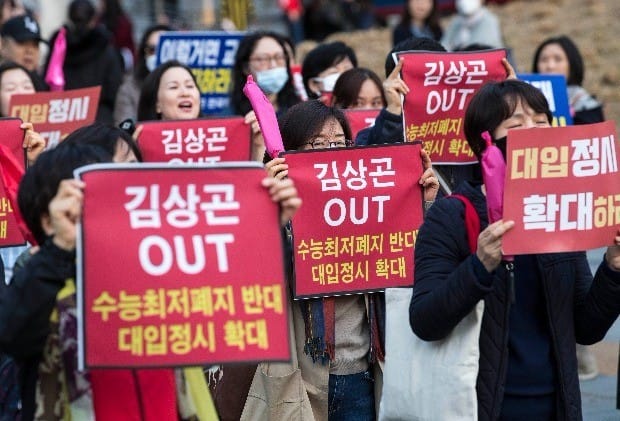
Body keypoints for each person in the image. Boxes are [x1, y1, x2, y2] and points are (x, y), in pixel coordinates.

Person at [410, 79, 620, 420]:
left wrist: (612, 269)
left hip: (556, 406)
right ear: (485, 140)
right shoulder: (453, 215)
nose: (534, 132)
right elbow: (425, 320)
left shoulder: (559, 214)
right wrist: (480, 265)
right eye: (517, 123)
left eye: (541, 121)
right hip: (484, 408)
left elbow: (587, 328)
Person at [263, 99, 438, 420]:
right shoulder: (275, 207)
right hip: (303, 377)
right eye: (317, 144)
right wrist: (269, 211)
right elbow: (261, 274)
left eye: (340, 143)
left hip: (362, 372)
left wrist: (422, 205)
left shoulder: (369, 204)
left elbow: (416, 262)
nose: (331, 151)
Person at [43, 0, 123, 124]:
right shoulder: (106, 49)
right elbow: (114, 89)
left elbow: (46, 82)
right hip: (98, 122)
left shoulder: (59, 47)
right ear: (93, 20)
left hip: (61, 117)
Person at [229, 31, 300, 160]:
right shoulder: (232, 117)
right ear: (245, 67)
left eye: (279, 58)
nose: (273, 65)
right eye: (263, 59)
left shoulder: (301, 111)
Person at [532, 35, 605, 125]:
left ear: (572, 64)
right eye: (544, 60)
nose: (550, 66)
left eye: (558, 59)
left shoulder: (587, 107)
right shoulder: (526, 102)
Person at [113, 24, 171, 125]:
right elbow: (124, 130)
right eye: (152, 50)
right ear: (144, 53)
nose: (158, 56)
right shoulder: (130, 88)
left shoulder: (192, 86)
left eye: (165, 50)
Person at [136, 59, 201, 122]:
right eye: (173, 87)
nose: (185, 93)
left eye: (190, 86)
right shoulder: (136, 133)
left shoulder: (211, 131)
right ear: (156, 104)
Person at [97, 0, 136, 72]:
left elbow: (120, 43)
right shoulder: (99, 20)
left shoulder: (123, 22)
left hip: (123, 56)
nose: (99, 5)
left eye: (102, 2)